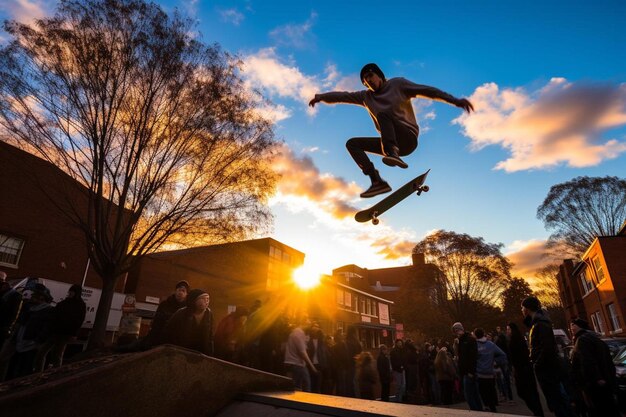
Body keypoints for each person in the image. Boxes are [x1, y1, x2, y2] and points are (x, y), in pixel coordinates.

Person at [309, 63, 474, 198]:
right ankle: (377, 181)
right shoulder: (366, 97)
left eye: (371, 77)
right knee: (352, 144)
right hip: (389, 144)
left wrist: (455, 101)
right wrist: (321, 97)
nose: (369, 82)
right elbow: (342, 96)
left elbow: (428, 91)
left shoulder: (398, 84)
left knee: (383, 115)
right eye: (366, 81)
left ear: (379, 75)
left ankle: (392, 152)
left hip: (407, 139)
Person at [522, 296, 574, 417]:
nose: (522, 310)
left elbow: (547, 348)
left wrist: (537, 363)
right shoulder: (537, 323)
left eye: (522, 307)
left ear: (527, 309)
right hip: (546, 368)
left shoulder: (541, 324)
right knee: (556, 399)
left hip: (547, 369)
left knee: (557, 399)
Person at [569, 317, 620, 417]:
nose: (571, 328)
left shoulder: (582, 340)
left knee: (598, 408)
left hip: (592, 383)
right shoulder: (595, 339)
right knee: (609, 407)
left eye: (573, 325)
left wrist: (596, 378)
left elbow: (587, 361)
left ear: (580, 327)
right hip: (603, 380)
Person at [34, 284, 86, 371]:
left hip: (65, 333)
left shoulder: (79, 305)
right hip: (56, 331)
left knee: (56, 354)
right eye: (70, 291)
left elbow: (79, 320)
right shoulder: (65, 303)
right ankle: (40, 371)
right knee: (43, 352)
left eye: (72, 291)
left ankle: (55, 371)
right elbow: (55, 314)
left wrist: (74, 333)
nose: (70, 293)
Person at [7, 284, 54, 380]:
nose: (32, 297)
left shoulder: (48, 310)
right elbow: (21, 322)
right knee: (14, 364)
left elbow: (47, 327)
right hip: (20, 339)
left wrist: (38, 340)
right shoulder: (28, 307)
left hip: (31, 343)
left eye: (35, 295)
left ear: (42, 297)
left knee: (26, 366)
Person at [507, 322, 545, 416]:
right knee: (529, 392)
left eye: (508, 329)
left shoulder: (515, 341)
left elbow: (517, 356)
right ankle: (537, 411)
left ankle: (537, 411)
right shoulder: (516, 340)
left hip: (522, 370)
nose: (507, 331)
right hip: (524, 369)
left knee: (525, 392)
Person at [162, 288, 213, 356]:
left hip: (201, 353)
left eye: (207, 299)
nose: (206, 301)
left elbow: (210, 335)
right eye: (203, 298)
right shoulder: (181, 313)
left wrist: (209, 353)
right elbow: (169, 332)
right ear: (194, 300)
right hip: (182, 351)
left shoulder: (209, 314)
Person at [475, 327, 508, 412]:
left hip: (480, 374)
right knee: (491, 393)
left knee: (483, 394)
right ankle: (493, 409)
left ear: (475, 335)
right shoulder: (490, 344)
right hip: (490, 373)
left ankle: (487, 407)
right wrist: (496, 362)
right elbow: (503, 355)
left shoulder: (475, 346)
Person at [146, 280, 189, 347]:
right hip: (159, 338)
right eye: (179, 290)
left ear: (186, 294)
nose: (180, 292)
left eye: (183, 291)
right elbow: (156, 322)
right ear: (175, 291)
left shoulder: (187, 309)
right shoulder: (165, 304)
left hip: (176, 342)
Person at [452, 322, 482, 411]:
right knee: (474, 394)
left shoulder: (469, 340)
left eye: (456, 330)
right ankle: (479, 411)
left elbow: (472, 357)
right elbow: (459, 356)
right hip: (465, 371)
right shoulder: (461, 341)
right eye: (454, 331)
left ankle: (476, 411)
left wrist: (471, 372)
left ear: (460, 329)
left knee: (469, 395)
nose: (456, 333)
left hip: (469, 372)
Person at [283, 317, 317, 392]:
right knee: (306, 386)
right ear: (303, 322)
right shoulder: (299, 333)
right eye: (308, 323)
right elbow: (303, 352)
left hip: (291, 363)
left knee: (295, 387)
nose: (310, 326)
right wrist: (312, 367)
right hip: (297, 364)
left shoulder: (295, 332)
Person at [390, 339, 406, 403]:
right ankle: (398, 399)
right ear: (396, 344)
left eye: (401, 343)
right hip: (397, 370)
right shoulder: (393, 351)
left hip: (402, 369)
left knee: (403, 385)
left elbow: (404, 359)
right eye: (399, 343)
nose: (400, 344)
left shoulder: (402, 350)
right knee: (399, 385)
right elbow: (393, 361)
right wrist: (399, 366)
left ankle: (400, 398)